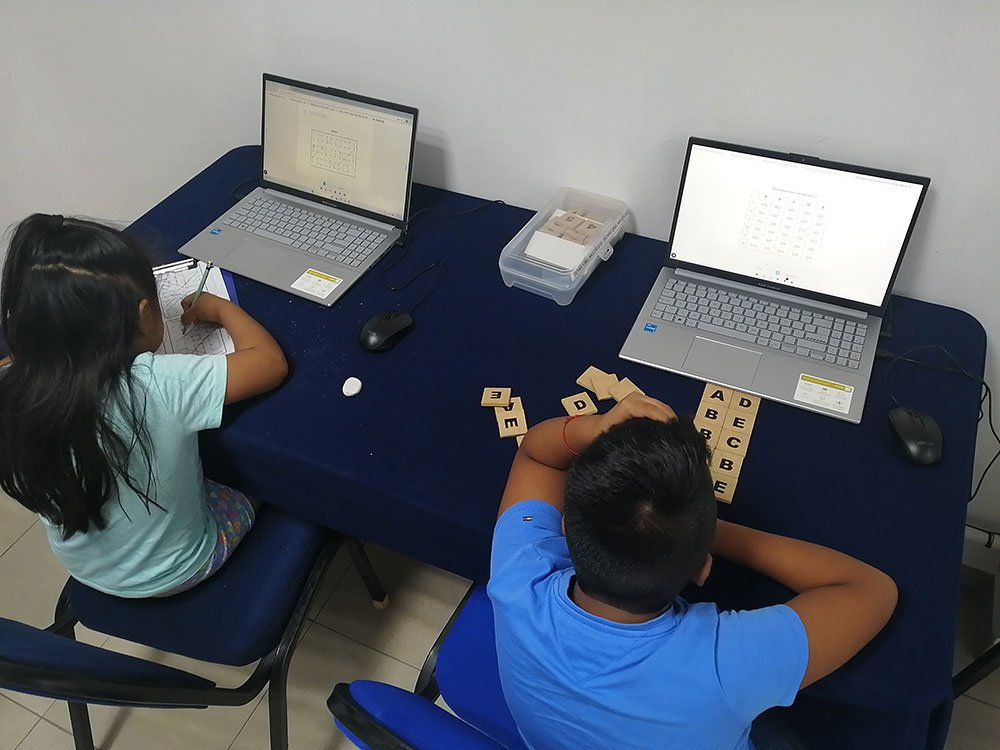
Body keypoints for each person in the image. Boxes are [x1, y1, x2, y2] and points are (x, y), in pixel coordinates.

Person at [489, 393, 898, 750]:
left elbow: (536, 454)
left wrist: (595, 428)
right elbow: (872, 589)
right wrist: (705, 535)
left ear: (564, 527)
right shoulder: (726, 666)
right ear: (703, 569)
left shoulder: (518, 576)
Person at [0, 214, 287, 597]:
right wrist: (219, 309)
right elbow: (269, 363)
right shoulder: (155, 383)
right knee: (265, 481)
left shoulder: (12, 385)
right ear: (143, 314)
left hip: (88, 569)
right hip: (177, 570)